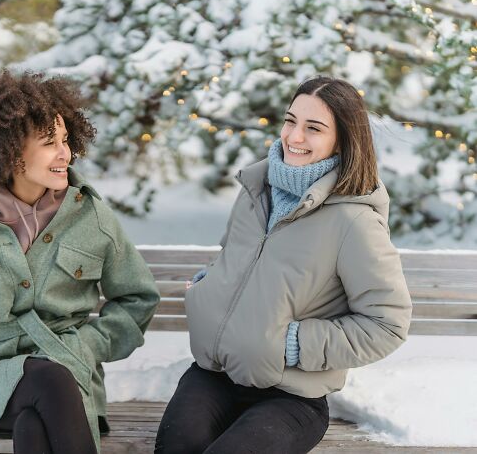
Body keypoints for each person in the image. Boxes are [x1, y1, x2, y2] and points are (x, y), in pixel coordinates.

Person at [155, 76, 413, 454]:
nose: (294, 136)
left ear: (342, 139)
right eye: (291, 121)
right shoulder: (255, 190)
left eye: (314, 128)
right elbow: (236, 259)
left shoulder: (354, 222)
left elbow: (388, 324)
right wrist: (210, 286)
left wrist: (292, 344)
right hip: (215, 375)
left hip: (292, 397)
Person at [0, 69, 160, 454]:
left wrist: (88, 346)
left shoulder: (91, 216)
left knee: (36, 422)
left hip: (71, 377)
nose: (65, 153)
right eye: (50, 142)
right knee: (49, 383)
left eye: (66, 140)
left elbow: (137, 299)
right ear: (10, 148)